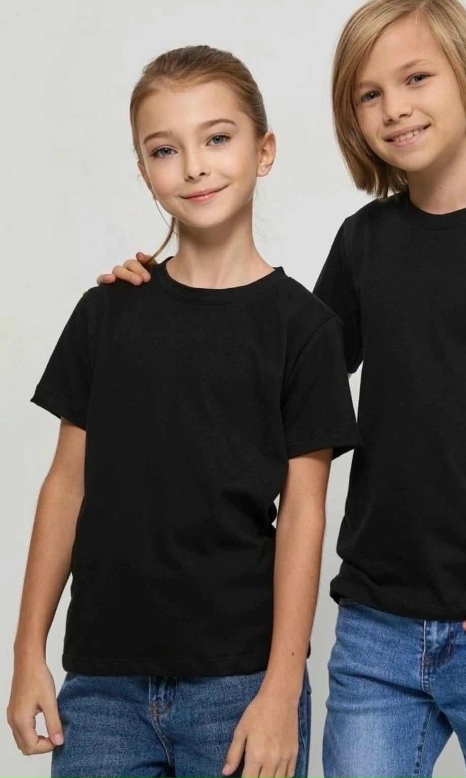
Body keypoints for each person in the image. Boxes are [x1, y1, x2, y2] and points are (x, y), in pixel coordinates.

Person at [91, 0, 466, 776]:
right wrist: (158, 293)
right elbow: (273, 370)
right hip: (376, 635)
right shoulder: (364, 242)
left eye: (416, 78)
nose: (394, 109)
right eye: (368, 94)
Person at [7, 45, 359, 778]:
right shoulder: (107, 312)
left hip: (238, 685)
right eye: (165, 150)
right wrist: (27, 652)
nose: (194, 167)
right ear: (144, 170)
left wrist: (281, 690)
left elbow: (303, 515)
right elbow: (66, 487)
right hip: (101, 689)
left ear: (264, 151)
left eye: (217, 138)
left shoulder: (305, 330)